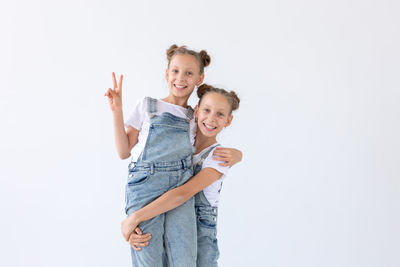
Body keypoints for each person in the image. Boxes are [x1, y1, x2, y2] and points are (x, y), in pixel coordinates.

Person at [105, 45, 242, 267]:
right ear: (167, 73)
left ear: (199, 78)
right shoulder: (148, 105)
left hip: (180, 189)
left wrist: (238, 154)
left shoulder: (194, 118)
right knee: (148, 258)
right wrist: (117, 110)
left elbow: (208, 143)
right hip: (145, 188)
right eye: (175, 71)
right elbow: (123, 152)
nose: (181, 78)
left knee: (182, 260)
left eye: (189, 73)